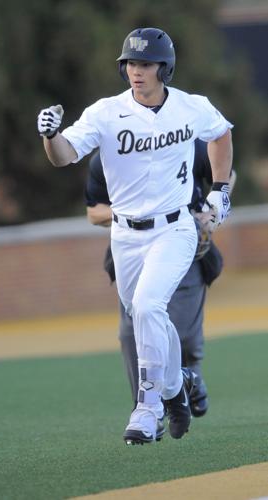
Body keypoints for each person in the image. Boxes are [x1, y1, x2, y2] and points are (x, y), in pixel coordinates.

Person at [37, 27, 233, 445]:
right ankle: (176, 384)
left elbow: (220, 134)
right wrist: (50, 136)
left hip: (176, 227)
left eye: (144, 64)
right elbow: (64, 156)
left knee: (145, 308)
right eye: (129, 63)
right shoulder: (106, 112)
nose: (135, 71)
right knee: (147, 316)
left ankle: (147, 408)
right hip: (125, 236)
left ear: (164, 67)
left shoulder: (190, 106)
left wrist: (220, 191)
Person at [85, 144, 236, 441]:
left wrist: (212, 209)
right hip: (132, 249)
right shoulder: (106, 156)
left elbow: (226, 174)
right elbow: (93, 212)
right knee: (132, 334)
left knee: (180, 334)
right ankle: (149, 410)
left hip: (184, 245)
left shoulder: (185, 140)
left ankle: (189, 373)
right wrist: (131, 213)